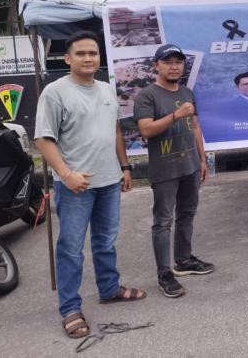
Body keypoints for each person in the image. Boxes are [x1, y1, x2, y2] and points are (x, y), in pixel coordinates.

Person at [35, 30, 146, 340]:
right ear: (67, 58)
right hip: (75, 185)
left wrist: (125, 167)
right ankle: (70, 308)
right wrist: (66, 174)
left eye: (93, 53)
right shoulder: (55, 92)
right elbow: (43, 139)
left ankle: (109, 289)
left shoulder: (107, 90)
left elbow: (115, 131)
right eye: (81, 53)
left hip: (109, 180)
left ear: (99, 58)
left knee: (105, 241)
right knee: (71, 248)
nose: (88, 58)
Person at [133, 44, 214, 298]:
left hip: (190, 165)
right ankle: (164, 274)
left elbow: (195, 126)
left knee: (187, 214)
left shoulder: (187, 92)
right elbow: (146, 130)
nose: (174, 66)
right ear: (155, 66)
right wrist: (176, 115)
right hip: (165, 168)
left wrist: (202, 159)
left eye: (178, 62)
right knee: (163, 221)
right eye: (168, 62)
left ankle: (184, 260)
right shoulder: (147, 95)